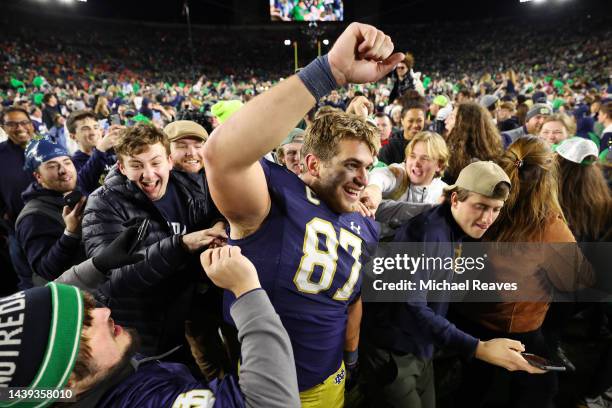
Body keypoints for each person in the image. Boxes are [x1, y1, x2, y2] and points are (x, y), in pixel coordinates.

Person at [202, 22, 403, 407]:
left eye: (369, 166)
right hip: (269, 388)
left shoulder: (364, 224)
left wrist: (352, 356)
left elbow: (351, 303)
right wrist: (329, 72)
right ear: (312, 163)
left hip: (332, 379)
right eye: (352, 165)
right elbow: (222, 156)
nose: (364, 179)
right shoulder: (275, 200)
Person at [0, 246, 300, 407]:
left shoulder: (29, 390)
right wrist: (247, 292)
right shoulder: (139, 399)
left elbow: (35, 316)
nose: (105, 312)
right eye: (86, 325)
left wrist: (96, 267)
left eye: (90, 308)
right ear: (67, 383)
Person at [360, 161, 542, 408]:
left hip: (420, 347)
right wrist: (479, 348)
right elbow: (411, 306)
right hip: (394, 351)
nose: (488, 218)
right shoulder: (428, 233)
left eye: (496, 209)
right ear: (455, 199)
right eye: (481, 206)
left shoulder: (457, 227)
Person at [456, 136, 594, 408]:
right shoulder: (549, 227)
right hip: (514, 328)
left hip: (465, 316)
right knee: (541, 389)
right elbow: (577, 280)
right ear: (548, 179)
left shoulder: (477, 199)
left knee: (474, 384)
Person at [82, 124, 227, 357]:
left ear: (169, 161)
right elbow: (112, 278)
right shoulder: (103, 203)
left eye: (155, 163)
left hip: (184, 316)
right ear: (121, 167)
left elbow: (215, 215)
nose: (148, 175)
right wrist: (180, 245)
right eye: (136, 165)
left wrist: (219, 225)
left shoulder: (190, 187)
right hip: (137, 330)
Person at [15, 138, 87, 286]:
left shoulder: (74, 195)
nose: (63, 170)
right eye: (52, 166)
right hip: (74, 297)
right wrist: (70, 234)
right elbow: (46, 270)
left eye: (67, 162)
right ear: (38, 177)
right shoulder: (33, 217)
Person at [443, 102, 503, 184]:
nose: (446, 121)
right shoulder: (457, 151)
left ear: (464, 125)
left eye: (452, 117)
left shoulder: (475, 164)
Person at [66, 110, 120, 195]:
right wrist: (100, 149)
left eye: (95, 127)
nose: (93, 132)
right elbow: (82, 186)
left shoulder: (113, 152)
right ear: (73, 136)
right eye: (85, 129)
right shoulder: (72, 164)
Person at [378, 93, 427, 165]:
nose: (415, 125)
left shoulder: (429, 144)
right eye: (411, 121)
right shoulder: (390, 147)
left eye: (419, 121)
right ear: (402, 121)